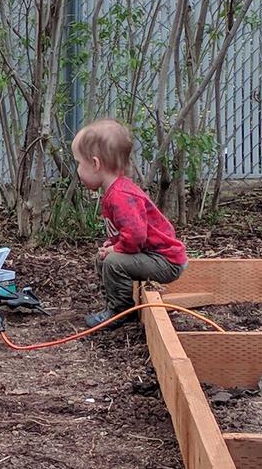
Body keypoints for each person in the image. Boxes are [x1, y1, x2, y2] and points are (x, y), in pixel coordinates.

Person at [71, 118, 187, 329]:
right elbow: (125, 232)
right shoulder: (115, 191)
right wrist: (112, 244)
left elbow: (135, 236)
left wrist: (117, 249)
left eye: (80, 163)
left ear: (96, 164)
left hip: (166, 261)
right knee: (104, 259)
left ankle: (120, 312)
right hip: (152, 255)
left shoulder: (120, 195)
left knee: (114, 262)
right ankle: (112, 306)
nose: (78, 170)